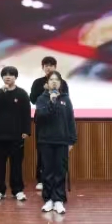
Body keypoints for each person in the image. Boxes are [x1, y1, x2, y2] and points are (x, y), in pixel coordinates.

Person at [35, 71, 77, 214]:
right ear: (47, 83)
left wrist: (72, 140)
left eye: (56, 80)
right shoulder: (42, 99)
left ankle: (58, 199)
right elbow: (40, 117)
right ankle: (48, 199)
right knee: (47, 171)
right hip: (46, 140)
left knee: (60, 171)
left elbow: (70, 120)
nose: (54, 82)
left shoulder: (66, 99)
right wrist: (51, 102)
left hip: (62, 141)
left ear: (60, 83)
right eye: (51, 80)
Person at [0, 66, 31, 202]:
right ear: (2, 77)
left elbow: (26, 113)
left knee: (16, 165)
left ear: (15, 77)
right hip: (0, 135)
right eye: (5, 74)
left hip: (17, 136)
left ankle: (17, 190)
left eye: (11, 74)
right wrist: (3, 91)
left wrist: (26, 131)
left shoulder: (22, 93)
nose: (8, 77)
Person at [30, 56, 70, 191]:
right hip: (42, 120)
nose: (48, 68)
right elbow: (33, 99)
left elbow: (66, 100)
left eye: (51, 65)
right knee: (42, 151)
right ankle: (41, 179)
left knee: (58, 153)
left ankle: (56, 180)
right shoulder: (38, 82)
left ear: (55, 67)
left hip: (59, 121)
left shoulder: (62, 83)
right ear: (43, 68)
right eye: (46, 65)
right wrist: (44, 90)